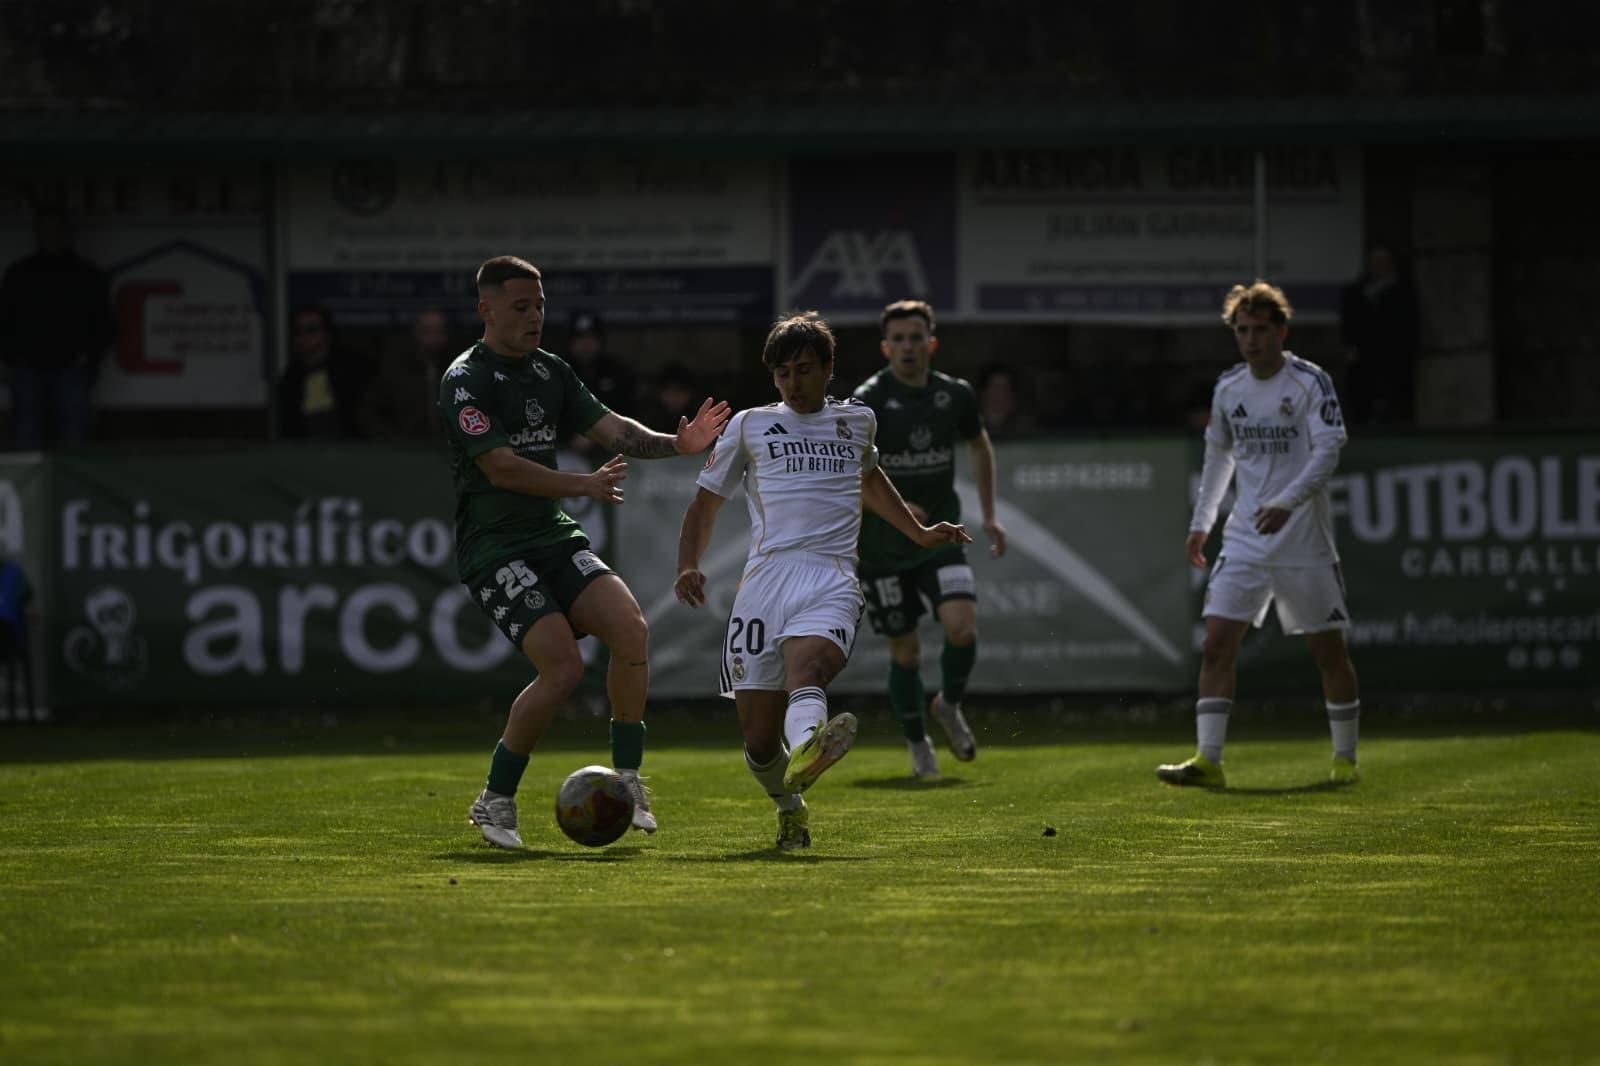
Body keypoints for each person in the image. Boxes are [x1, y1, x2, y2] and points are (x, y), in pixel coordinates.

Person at [439, 256, 730, 849]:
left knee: (631, 630)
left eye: (541, 305)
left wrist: (679, 444)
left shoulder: (551, 372)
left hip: (550, 536)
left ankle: (627, 780)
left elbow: (615, 430)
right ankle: (495, 801)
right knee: (564, 668)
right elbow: (500, 468)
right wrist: (583, 484)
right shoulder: (465, 379)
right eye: (521, 306)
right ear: (486, 310)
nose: (535, 316)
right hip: (494, 547)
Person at [674, 311, 970, 849]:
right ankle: (791, 805)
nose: (793, 382)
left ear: (829, 368)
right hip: (763, 584)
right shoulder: (750, 424)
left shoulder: (857, 421)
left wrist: (920, 532)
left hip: (831, 575)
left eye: (804, 370)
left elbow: (870, 477)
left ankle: (811, 743)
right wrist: (688, 564)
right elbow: (704, 502)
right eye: (783, 373)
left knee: (808, 668)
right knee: (760, 744)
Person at [1157, 281, 1361, 789]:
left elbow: (1330, 448)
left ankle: (1345, 758)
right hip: (1246, 538)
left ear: (1281, 331)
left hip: (1303, 540)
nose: (1250, 340)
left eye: (1260, 330)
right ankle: (1208, 761)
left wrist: (1287, 503)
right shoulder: (1229, 389)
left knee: (1328, 653)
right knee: (1217, 644)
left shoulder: (1310, 382)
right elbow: (1218, 456)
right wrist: (1201, 524)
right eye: (1242, 330)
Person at [852, 300, 1007, 780]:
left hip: (943, 533)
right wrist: (897, 510)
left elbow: (978, 444)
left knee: (962, 626)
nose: (907, 347)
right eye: (897, 339)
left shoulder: (954, 396)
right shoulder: (867, 400)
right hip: (883, 547)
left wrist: (989, 515)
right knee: (907, 651)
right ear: (885, 347)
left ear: (931, 344)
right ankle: (918, 744)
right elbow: (850, 476)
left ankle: (950, 704)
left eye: (916, 337)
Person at [0, 205, 115, 449]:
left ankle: (70, 489)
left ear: (68, 231)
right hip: (27, 369)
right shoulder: (20, 273)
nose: (52, 234)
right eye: (46, 228)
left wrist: (90, 358)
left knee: (74, 435)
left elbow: (104, 323)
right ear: (37, 232)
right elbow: (5, 319)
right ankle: (27, 489)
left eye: (57, 228)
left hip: (71, 370)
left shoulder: (87, 274)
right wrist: (10, 359)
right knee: (26, 435)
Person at [1339, 243, 1419, 425]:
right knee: (1360, 395)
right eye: (1375, 262)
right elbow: (1349, 322)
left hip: (1393, 355)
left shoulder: (1403, 291)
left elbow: (1408, 324)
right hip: (1363, 355)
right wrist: (1350, 346)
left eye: (1384, 262)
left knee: (1391, 398)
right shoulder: (1357, 292)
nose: (1379, 267)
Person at [277, 305, 370, 440]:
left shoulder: (352, 368)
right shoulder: (291, 378)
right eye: (298, 331)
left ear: (327, 333)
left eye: (311, 330)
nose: (304, 336)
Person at [362, 308, 455, 441]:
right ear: (417, 333)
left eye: (439, 331)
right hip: (406, 450)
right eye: (428, 331)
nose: (434, 338)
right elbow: (368, 412)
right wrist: (390, 438)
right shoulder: (395, 371)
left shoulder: (460, 370)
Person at [976, 362, 1038, 440]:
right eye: (997, 388)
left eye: (1006, 388)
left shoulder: (1024, 426)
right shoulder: (972, 426)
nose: (1003, 394)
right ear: (984, 393)